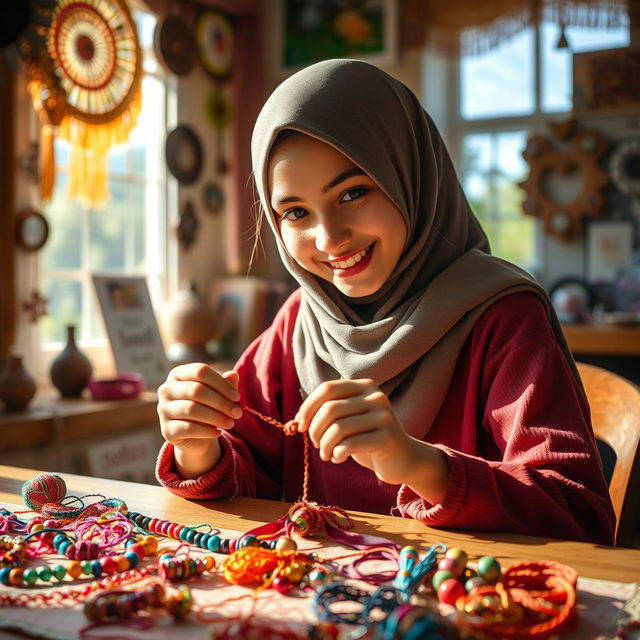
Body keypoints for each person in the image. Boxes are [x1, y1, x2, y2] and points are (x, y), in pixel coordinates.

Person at [156, 59, 615, 544]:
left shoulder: (502, 315)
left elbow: (578, 514)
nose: (329, 237)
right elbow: (251, 480)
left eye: (353, 192)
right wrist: (196, 447)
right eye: (295, 212)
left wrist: (419, 464)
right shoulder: (300, 324)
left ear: (411, 175)